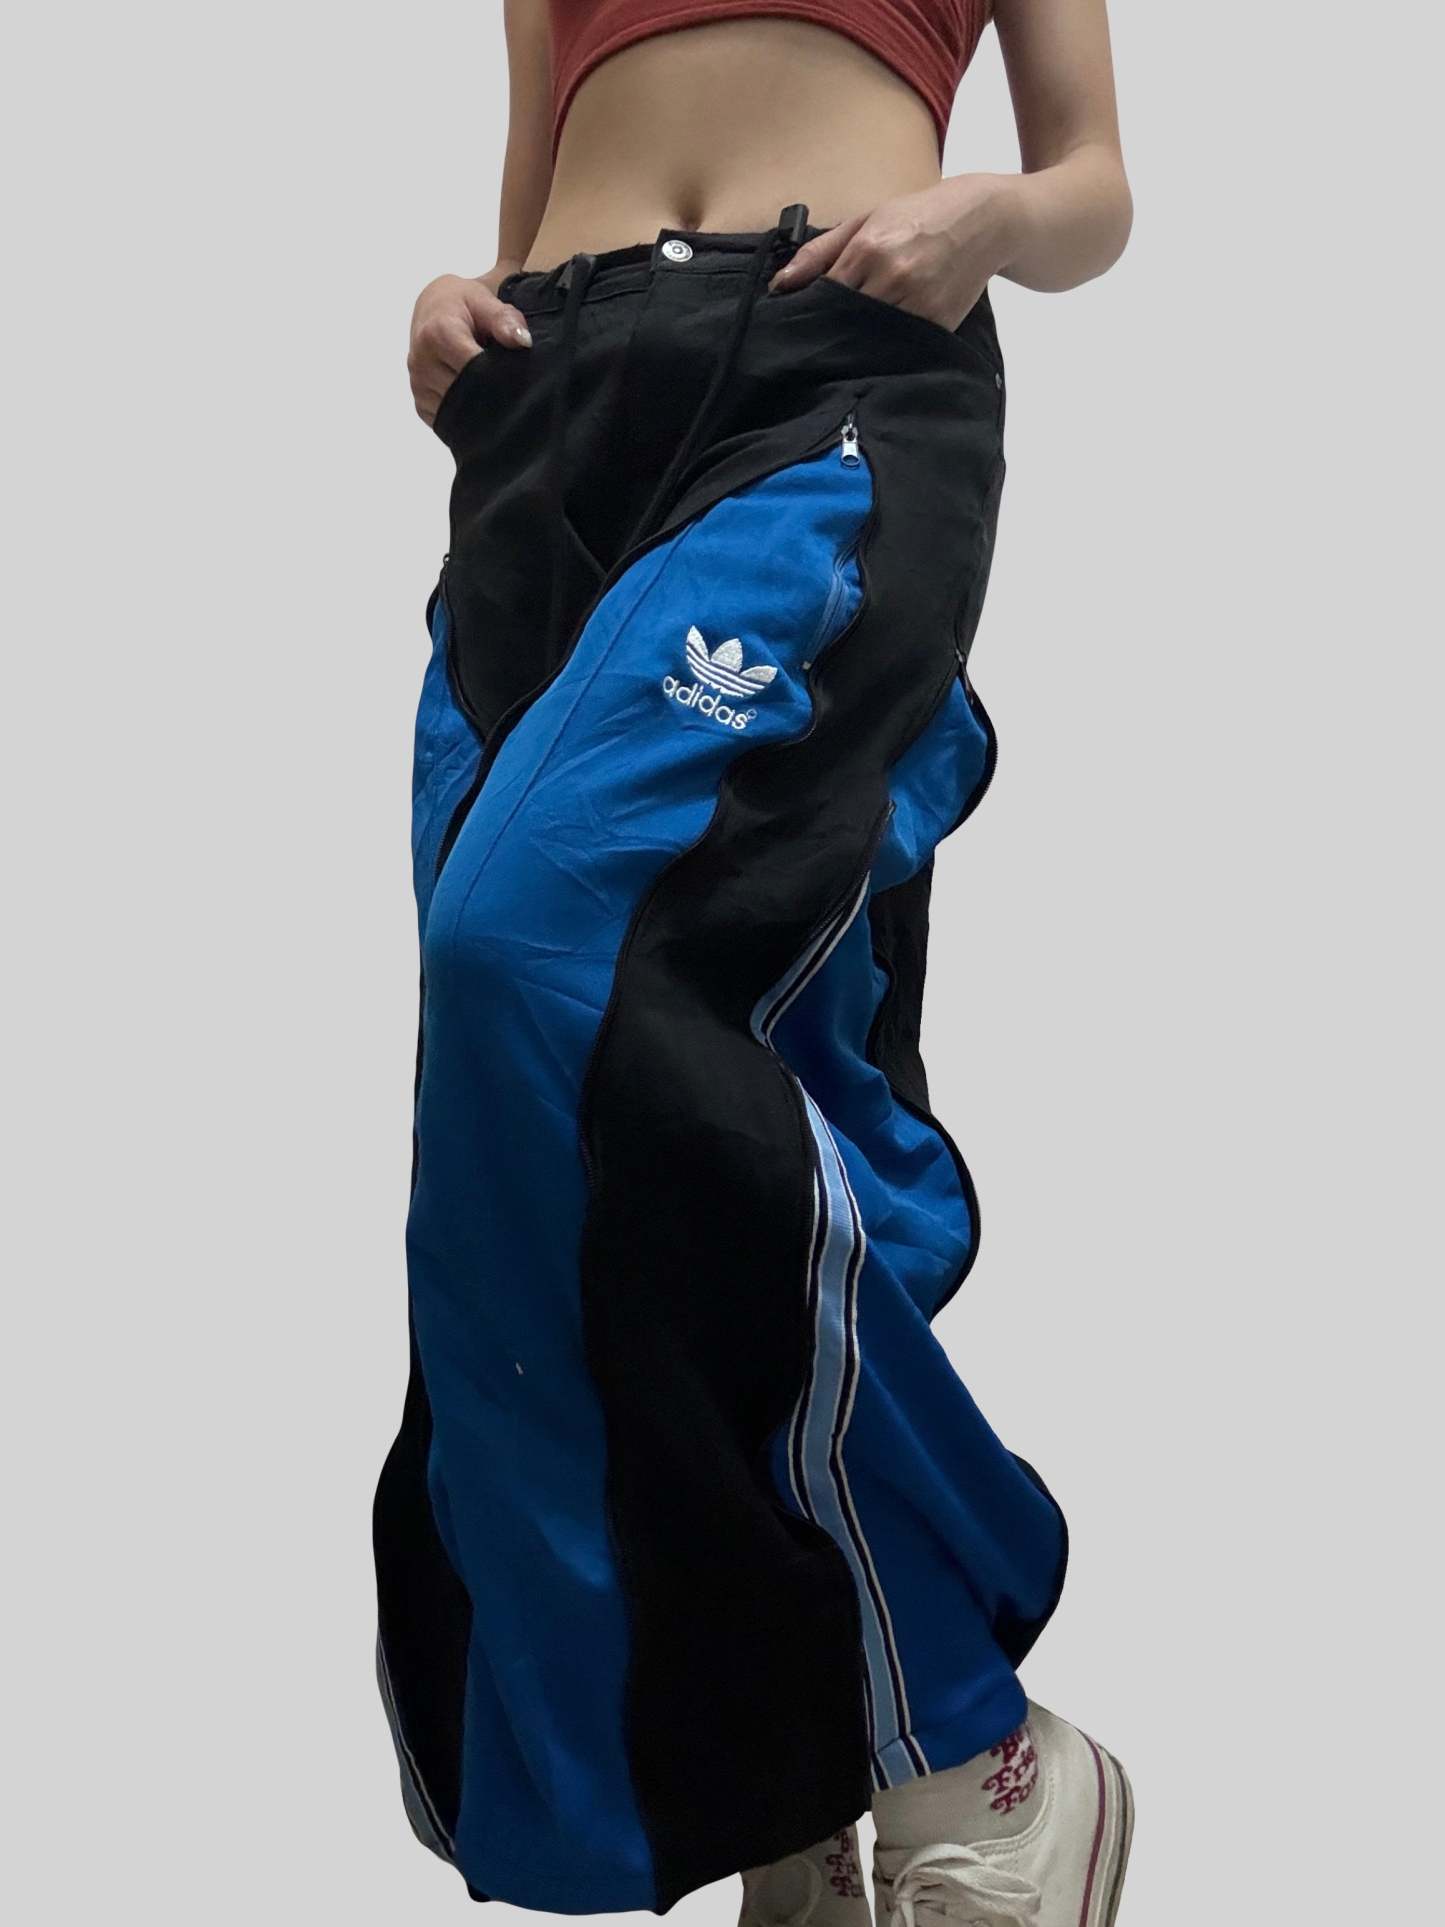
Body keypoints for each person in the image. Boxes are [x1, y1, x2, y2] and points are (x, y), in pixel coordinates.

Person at [374, 5, 1133, 1923]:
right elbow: (526, 205)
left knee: (533, 955)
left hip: (827, 366)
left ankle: (968, 1745)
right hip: (550, 413)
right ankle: (771, 1763)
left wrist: (984, 222)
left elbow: (1095, 189)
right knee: (583, 1117)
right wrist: (458, 304)